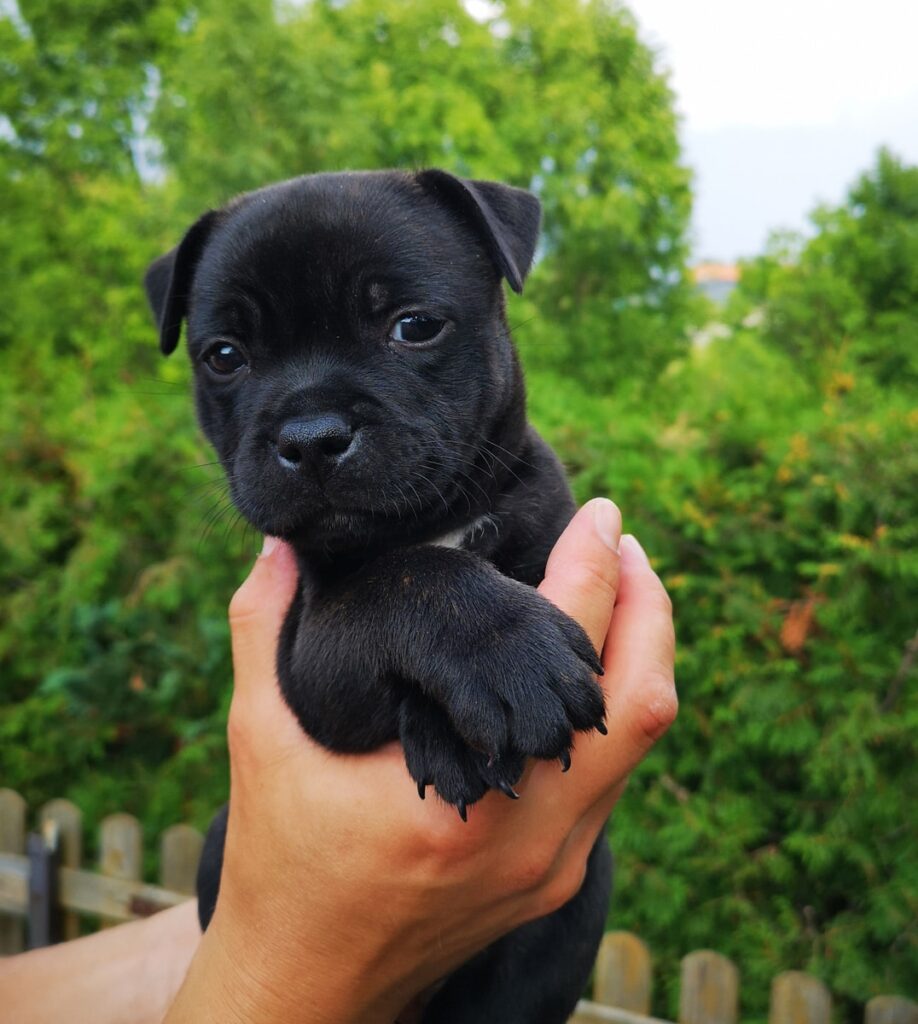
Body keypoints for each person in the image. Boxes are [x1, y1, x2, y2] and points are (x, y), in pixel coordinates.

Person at [0, 499, 677, 1024]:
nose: (311, 423)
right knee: (225, 844)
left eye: (413, 327)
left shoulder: (523, 494)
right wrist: (290, 967)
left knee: (584, 873)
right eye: (230, 357)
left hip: (510, 978)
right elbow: (324, 687)